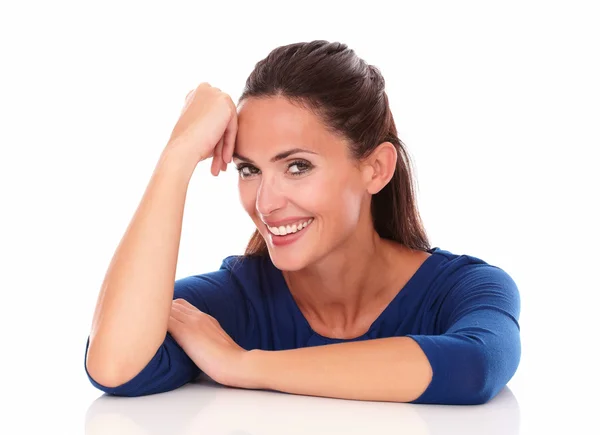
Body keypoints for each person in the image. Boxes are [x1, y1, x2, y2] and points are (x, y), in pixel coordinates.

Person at [84, 40, 521, 405]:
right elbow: (114, 366)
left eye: (296, 167)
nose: (265, 203)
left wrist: (242, 364)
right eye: (248, 169)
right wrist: (177, 156)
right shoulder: (239, 300)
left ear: (376, 169)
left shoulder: (462, 289)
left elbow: (472, 367)